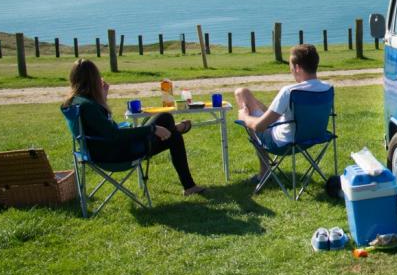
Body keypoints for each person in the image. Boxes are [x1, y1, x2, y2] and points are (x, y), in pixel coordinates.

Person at [62, 59, 205, 196]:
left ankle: (189, 186)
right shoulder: (89, 107)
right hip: (118, 155)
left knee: (174, 136)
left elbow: (105, 129)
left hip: (103, 152)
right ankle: (175, 129)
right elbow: (114, 134)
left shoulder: (75, 102)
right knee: (165, 118)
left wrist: (103, 98)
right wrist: (153, 129)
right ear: (93, 79)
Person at [236, 44, 331, 181]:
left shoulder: (290, 91)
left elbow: (259, 127)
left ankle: (264, 171)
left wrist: (244, 116)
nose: (291, 70)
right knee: (252, 100)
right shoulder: (327, 88)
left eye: (291, 66)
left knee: (241, 93)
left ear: (297, 67)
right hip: (314, 137)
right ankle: (265, 171)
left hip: (282, 143)